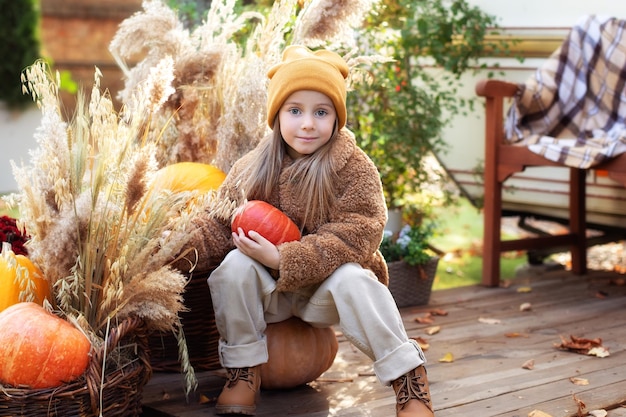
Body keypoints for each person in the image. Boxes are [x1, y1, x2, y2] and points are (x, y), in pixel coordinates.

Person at [176, 45, 434, 417]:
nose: (308, 123)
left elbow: (359, 230)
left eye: (321, 112)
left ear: (336, 119)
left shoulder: (352, 167)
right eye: (295, 111)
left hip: (325, 295)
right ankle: (243, 372)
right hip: (271, 295)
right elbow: (218, 220)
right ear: (277, 115)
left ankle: (409, 382)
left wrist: (286, 257)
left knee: (355, 279)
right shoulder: (252, 167)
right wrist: (177, 245)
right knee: (233, 266)